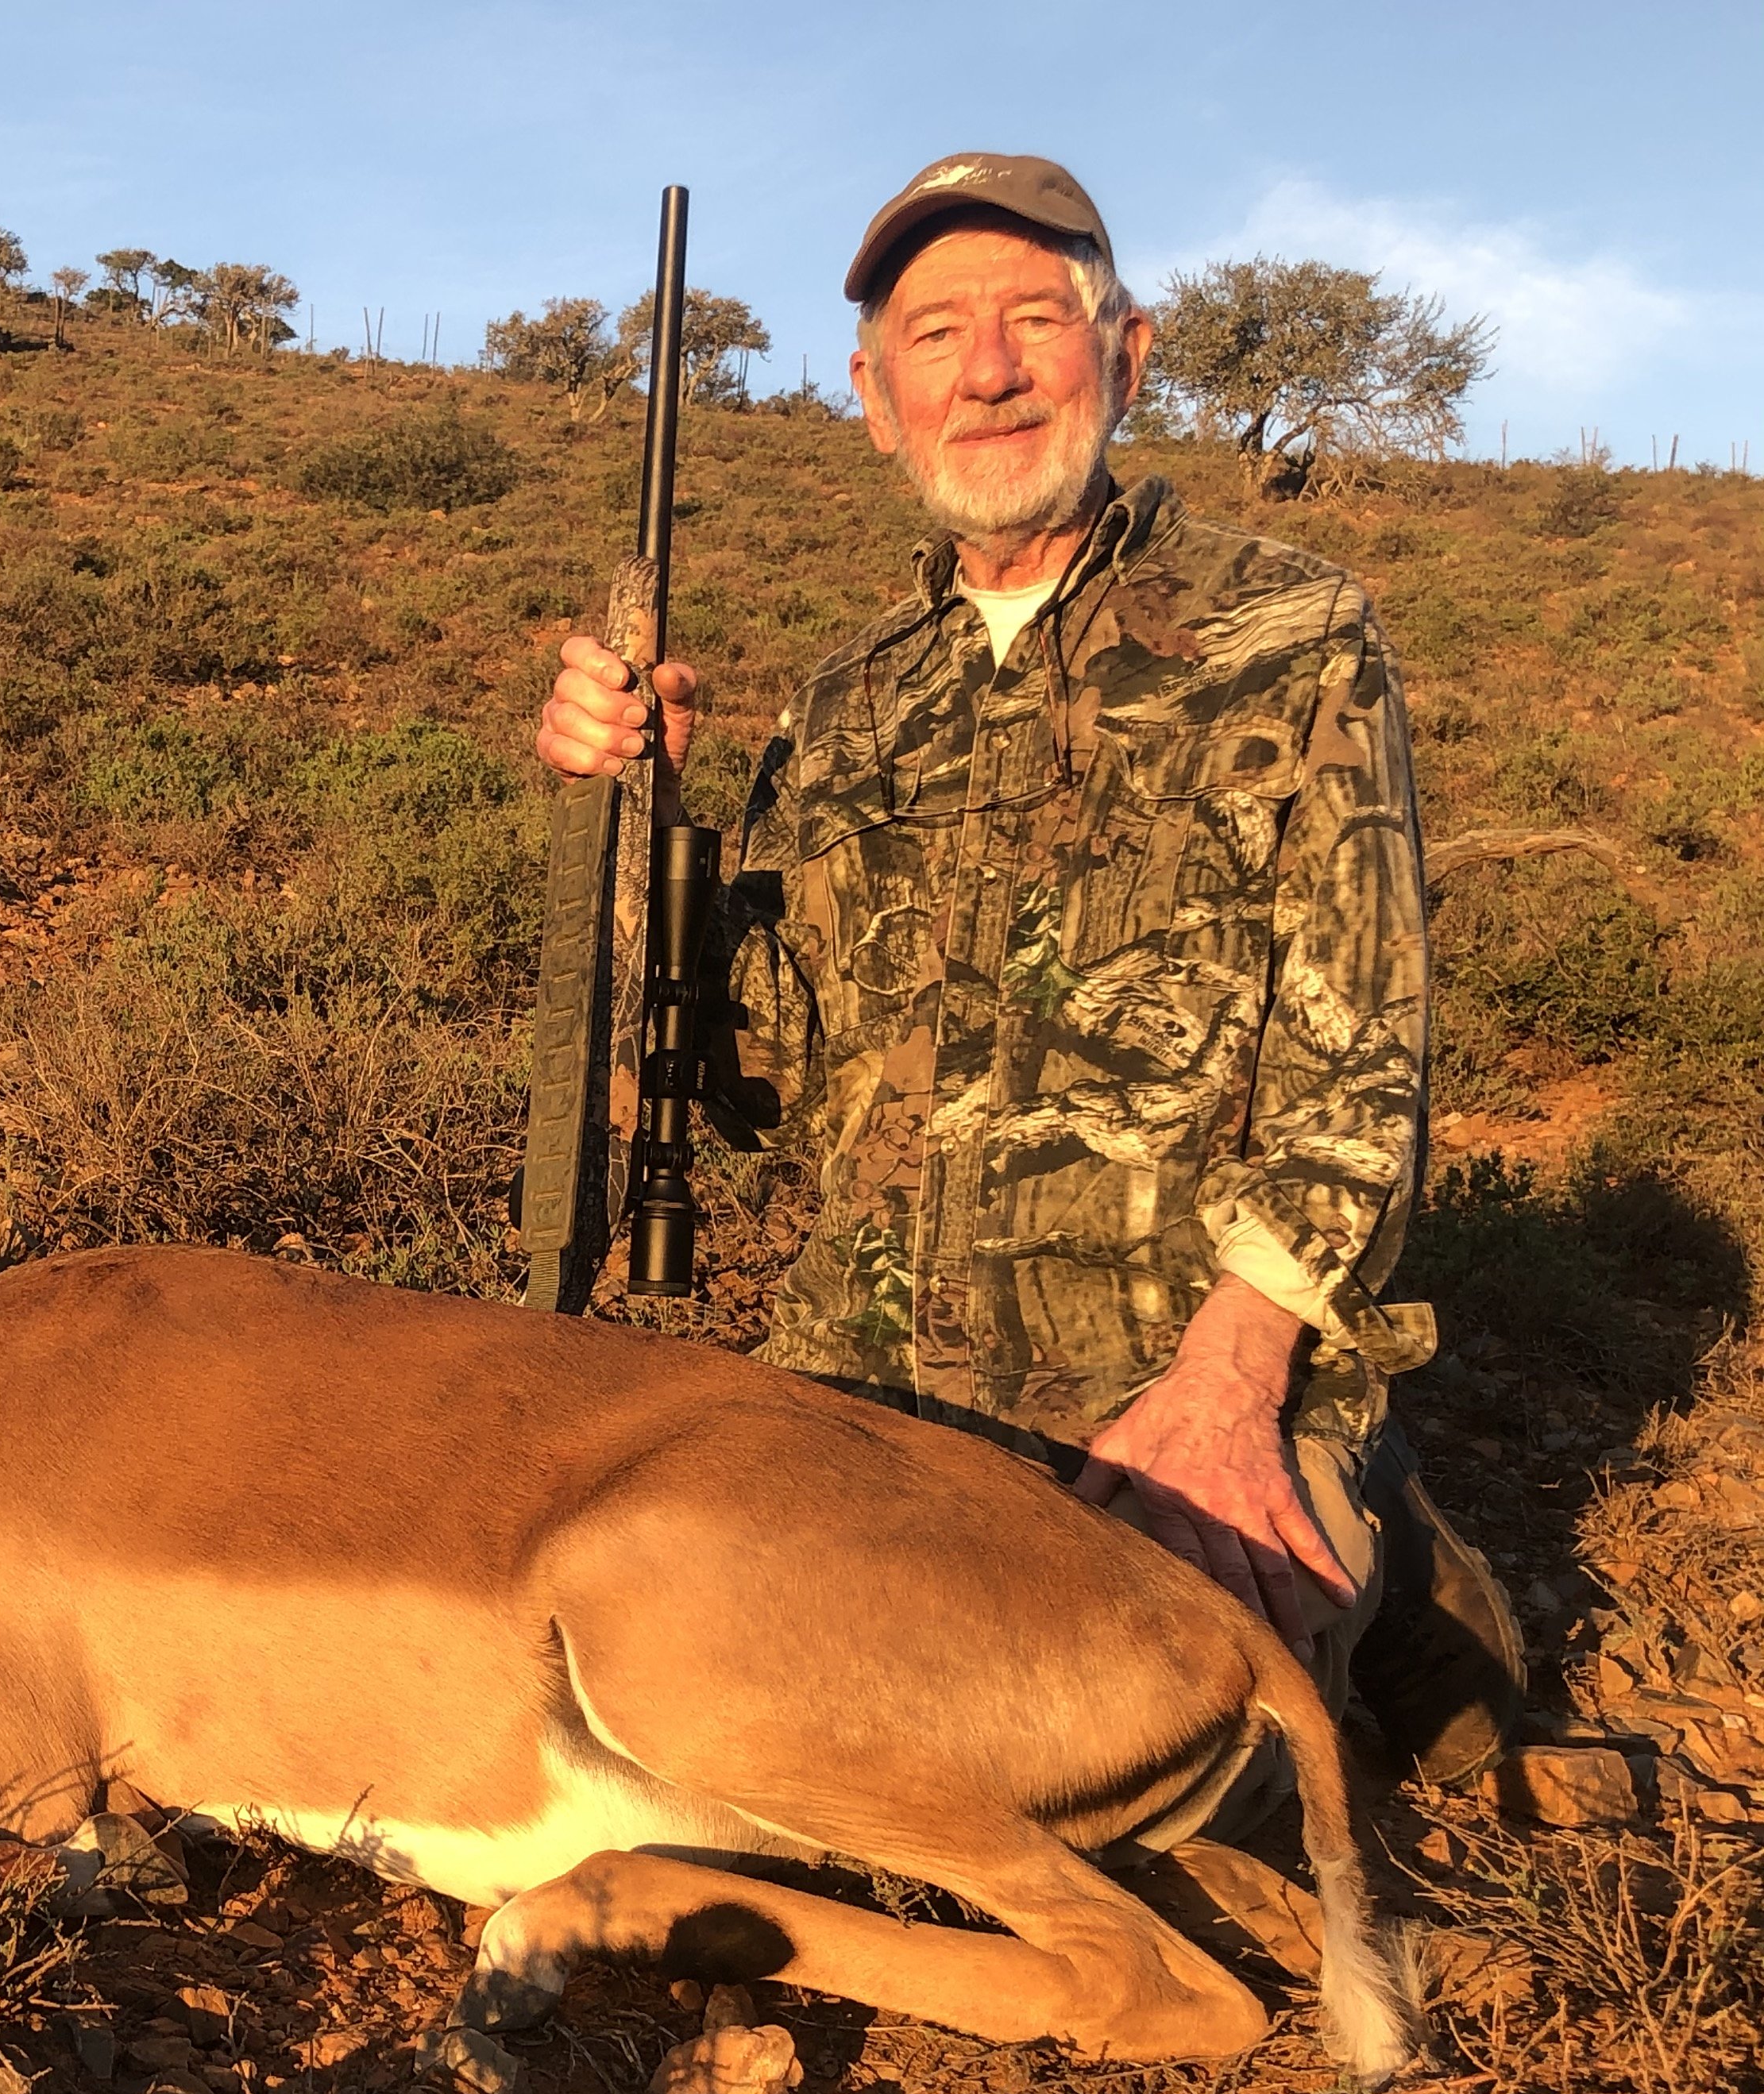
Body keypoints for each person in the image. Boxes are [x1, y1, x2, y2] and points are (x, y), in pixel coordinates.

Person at [534, 153, 1521, 1795]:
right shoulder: (848, 701)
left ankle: (1380, 1543)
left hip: (1169, 1397)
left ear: (1126, 356)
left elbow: (1366, 1066)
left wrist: (1228, 1388)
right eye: (933, 335)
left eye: (1033, 319)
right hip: (862, 1407)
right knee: (658, 1729)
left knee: (1125, 1784)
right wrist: (638, 826)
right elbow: (763, 1083)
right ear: (872, 398)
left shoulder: (1295, 635)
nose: (985, 371)